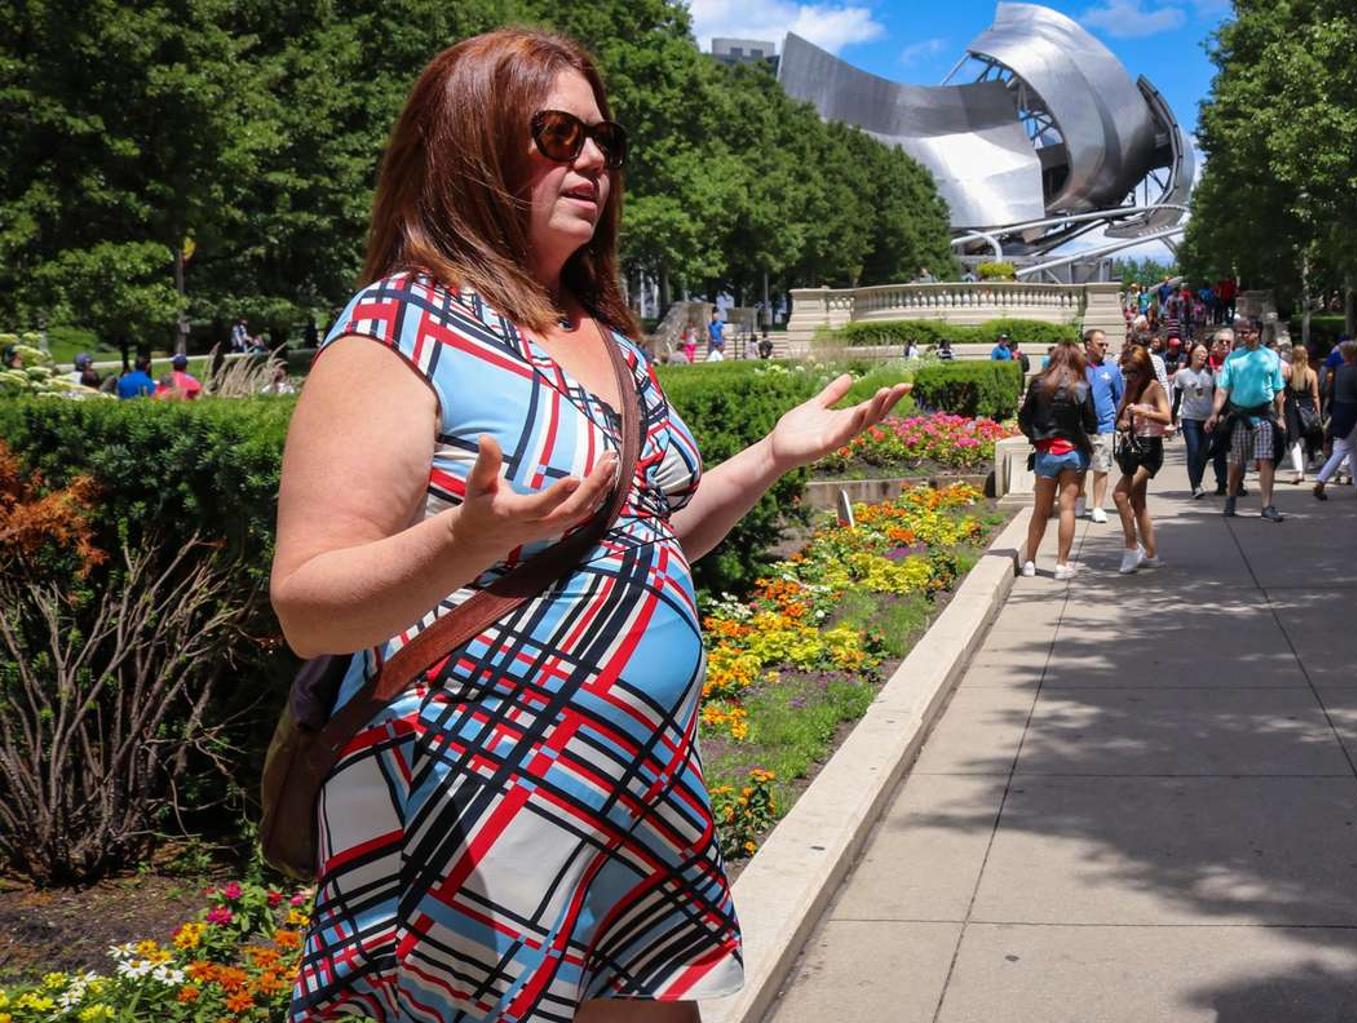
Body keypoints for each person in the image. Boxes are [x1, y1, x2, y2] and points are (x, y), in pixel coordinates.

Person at [265, 29, 908, 1022]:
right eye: (556, 133)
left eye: (603, 137)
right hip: (475, 791)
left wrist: (772, 457)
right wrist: (460, 540)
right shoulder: (401, 327)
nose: (595, 159)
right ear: (467, 146)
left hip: (636, 789)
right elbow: (310, 607)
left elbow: (647, 539)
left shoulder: (606, 337)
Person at [1019, 342, 1094, 580]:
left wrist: (1037, 436)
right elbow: (1091, 423)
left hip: (1046, 451)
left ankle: (1030, 561)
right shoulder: (1081, 387)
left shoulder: (1039, 384)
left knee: (1040, 509)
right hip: (1073, 451)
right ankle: (1062, 564)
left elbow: (1024, 419)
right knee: (1067, 507)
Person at [1204, 325, 1288, 521]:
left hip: (1264, 416)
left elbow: (1278, 389)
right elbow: (1223, 389)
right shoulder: (1233, 358)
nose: (1241, 336)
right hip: (1240, 417)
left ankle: (1267, 506)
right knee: (1237, 463)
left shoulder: (1270, 357)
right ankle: (1231, 498)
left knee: (1267, 459)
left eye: (1245, 332)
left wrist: (1281, 416)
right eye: (1239, 333)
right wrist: (1214, 413)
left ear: (1257, 332)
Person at [1112, 344, 1170, 574]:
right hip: (1133, 448)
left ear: (1144, 369)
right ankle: (1151, 554)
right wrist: (1123, 421)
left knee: (1119, 494)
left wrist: (1143, 412)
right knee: (1138, 503)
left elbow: (1166, 417)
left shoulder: (1154, 388)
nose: (1130, 377)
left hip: (1150, 450)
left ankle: (1131, 547)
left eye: (1134, 372)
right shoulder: (1129, 388)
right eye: (1126, 372)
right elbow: (1119, 418)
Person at [1312, 340, 1357, 500]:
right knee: (1342, 450)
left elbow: (1331, 392)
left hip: (1340, 412)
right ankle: (1321, 480)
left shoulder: (1339, 370)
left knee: (1354, 450)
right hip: (1353, 414)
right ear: (1355, 354)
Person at [1080, 329, 1124, 524]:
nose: (1104, 347)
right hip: (1079, 427)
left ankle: (1098, 507)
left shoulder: (1112, 369)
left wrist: (1118, 419)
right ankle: (1079, 500)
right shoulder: (1078, 367)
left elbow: (1119, 397)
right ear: (1088, 345)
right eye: (1100, 344)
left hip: (1104, 426)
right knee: (1078, 467)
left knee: (1101, 467)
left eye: (1105, 344)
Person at [1172, 341, 1217, 499]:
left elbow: (1218, 395)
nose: (1202, 355)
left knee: (1203, 452)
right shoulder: (1182, 375)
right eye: (1199, 352)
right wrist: (1173, 420)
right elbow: (1176, 399)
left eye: (1205, 353)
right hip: (1189, 417)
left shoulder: (1211, 373)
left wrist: (1217, 414)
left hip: (1207, 419)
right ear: (1191, 354)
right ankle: (1195, 486)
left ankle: (1198, 480)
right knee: (1194, 450)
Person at [1281, 344, 1322, 485]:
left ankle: (1298, 471)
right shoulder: (1312, 374)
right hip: (1307, 408)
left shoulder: (1287, 371)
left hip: (1291, 408)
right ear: (1306, 356)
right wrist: (1318, 413)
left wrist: (1280, 412)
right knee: (1306, 439)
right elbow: (1315, 396)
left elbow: (1281, 393)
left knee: (1294, 440)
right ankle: (1303, 470)